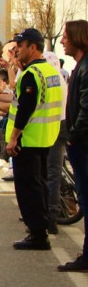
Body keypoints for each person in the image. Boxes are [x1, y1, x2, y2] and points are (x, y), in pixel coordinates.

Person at [5, 28, 63, 251]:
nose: (17, 49)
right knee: (39, 186)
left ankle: (37, 234)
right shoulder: (50, 71)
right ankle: (42, 228)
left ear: (33, 47)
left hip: (28, 140)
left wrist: (13, 138)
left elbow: (25, 109)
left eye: (21, 45)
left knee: (29, 189)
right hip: (45, 137)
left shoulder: (32, 74)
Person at [57, 21, 88, 271]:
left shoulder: (86, 67)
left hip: (83, 144)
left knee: (86, 199)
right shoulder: (81, 66)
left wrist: (73, 135)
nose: (61, 41)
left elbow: (86, 109)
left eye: (65, 37)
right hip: (80, 142)